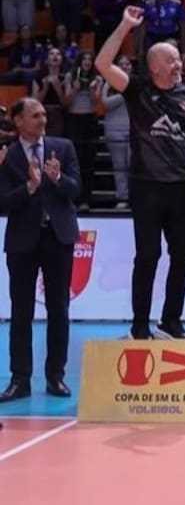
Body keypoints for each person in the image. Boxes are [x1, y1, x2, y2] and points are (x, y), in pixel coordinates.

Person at [96, 6, 185, 340]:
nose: (179, 65)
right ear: (155, 66)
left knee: (183, 256)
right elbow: (102, 64)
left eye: (179, 60)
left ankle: (170, 320)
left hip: (181, 188)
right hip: (146, 187)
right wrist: (126, 25)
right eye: (172, 60)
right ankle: (140, 324)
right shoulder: (137, 89)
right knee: (148, 256)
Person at [0, 99, 81, 402]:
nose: (42, 119)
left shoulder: (64, 146)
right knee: (21, 312)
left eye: (44, 114)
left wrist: (57, 179)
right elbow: (2, 201)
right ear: (18, 121)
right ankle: (20, 380)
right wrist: (30, 188)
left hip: (58, 238)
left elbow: (77, 188)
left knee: (59, 309)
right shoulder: (7, 156)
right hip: (22, 240)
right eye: (35, 115)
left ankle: (55, 377)